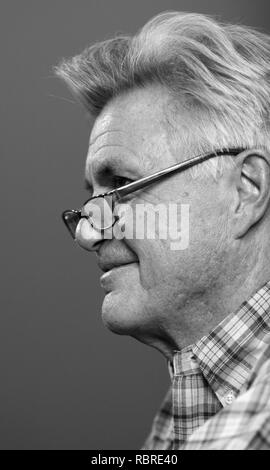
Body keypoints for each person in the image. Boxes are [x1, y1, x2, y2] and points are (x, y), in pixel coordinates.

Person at [55, 11, 270, 449]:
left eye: (121, 184)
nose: (87, 233)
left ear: (246, 190)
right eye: (91, 199)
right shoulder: (190, 412)